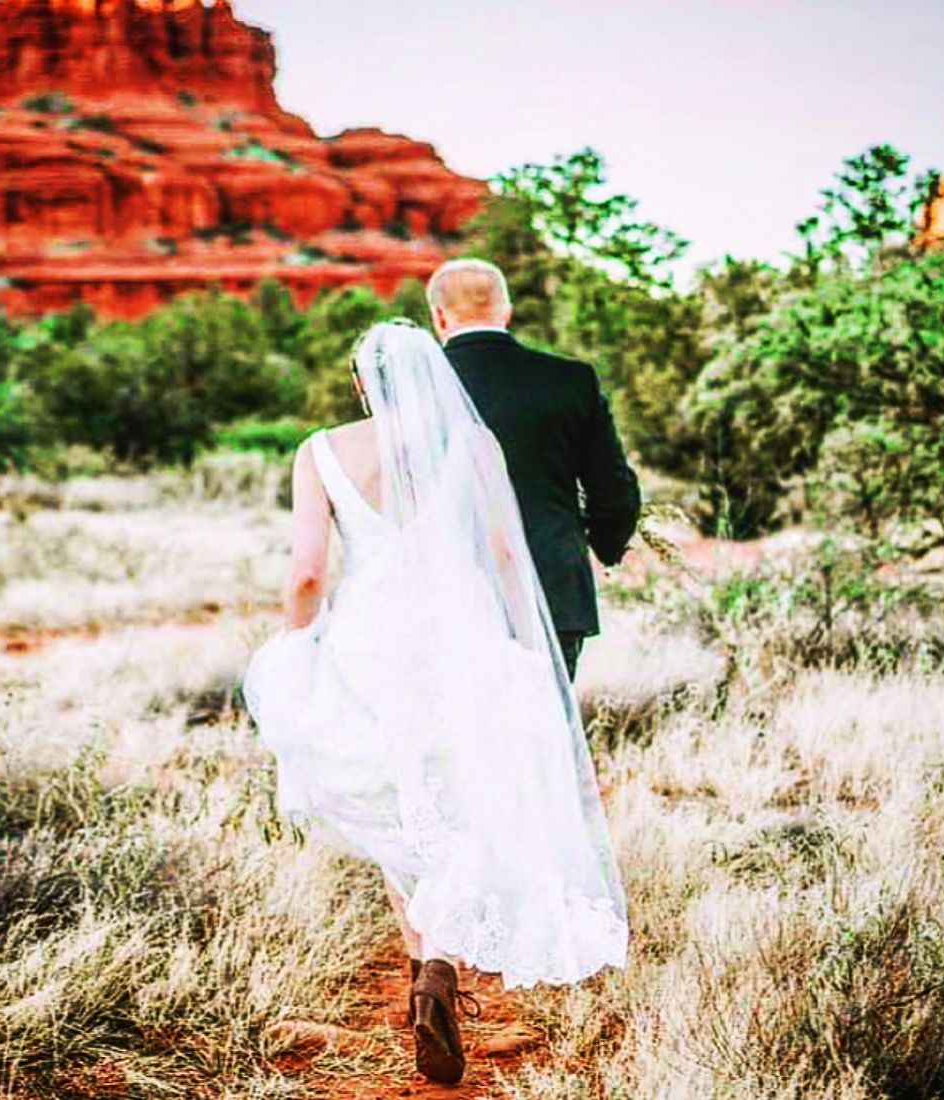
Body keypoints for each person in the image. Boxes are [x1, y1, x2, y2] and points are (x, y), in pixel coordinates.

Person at [244, 320, 628, 1087]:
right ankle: (440, 967)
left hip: (368, 642)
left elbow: (308, 573)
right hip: (461, 636)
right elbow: (506, 552)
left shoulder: (321, 452)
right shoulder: (475, 446)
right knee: (462, 793)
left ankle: (426, 962)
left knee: (396, 802)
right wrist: (525, 646)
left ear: (360, 382)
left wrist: (297, 644)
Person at [430, 259, 642, 681]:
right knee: (545, 736)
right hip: (550, 584)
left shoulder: (415, 387)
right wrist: (606, 545)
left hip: (444, 588)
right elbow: (614, 490)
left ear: (438, 316)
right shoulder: (570, 380)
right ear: (505, 310)